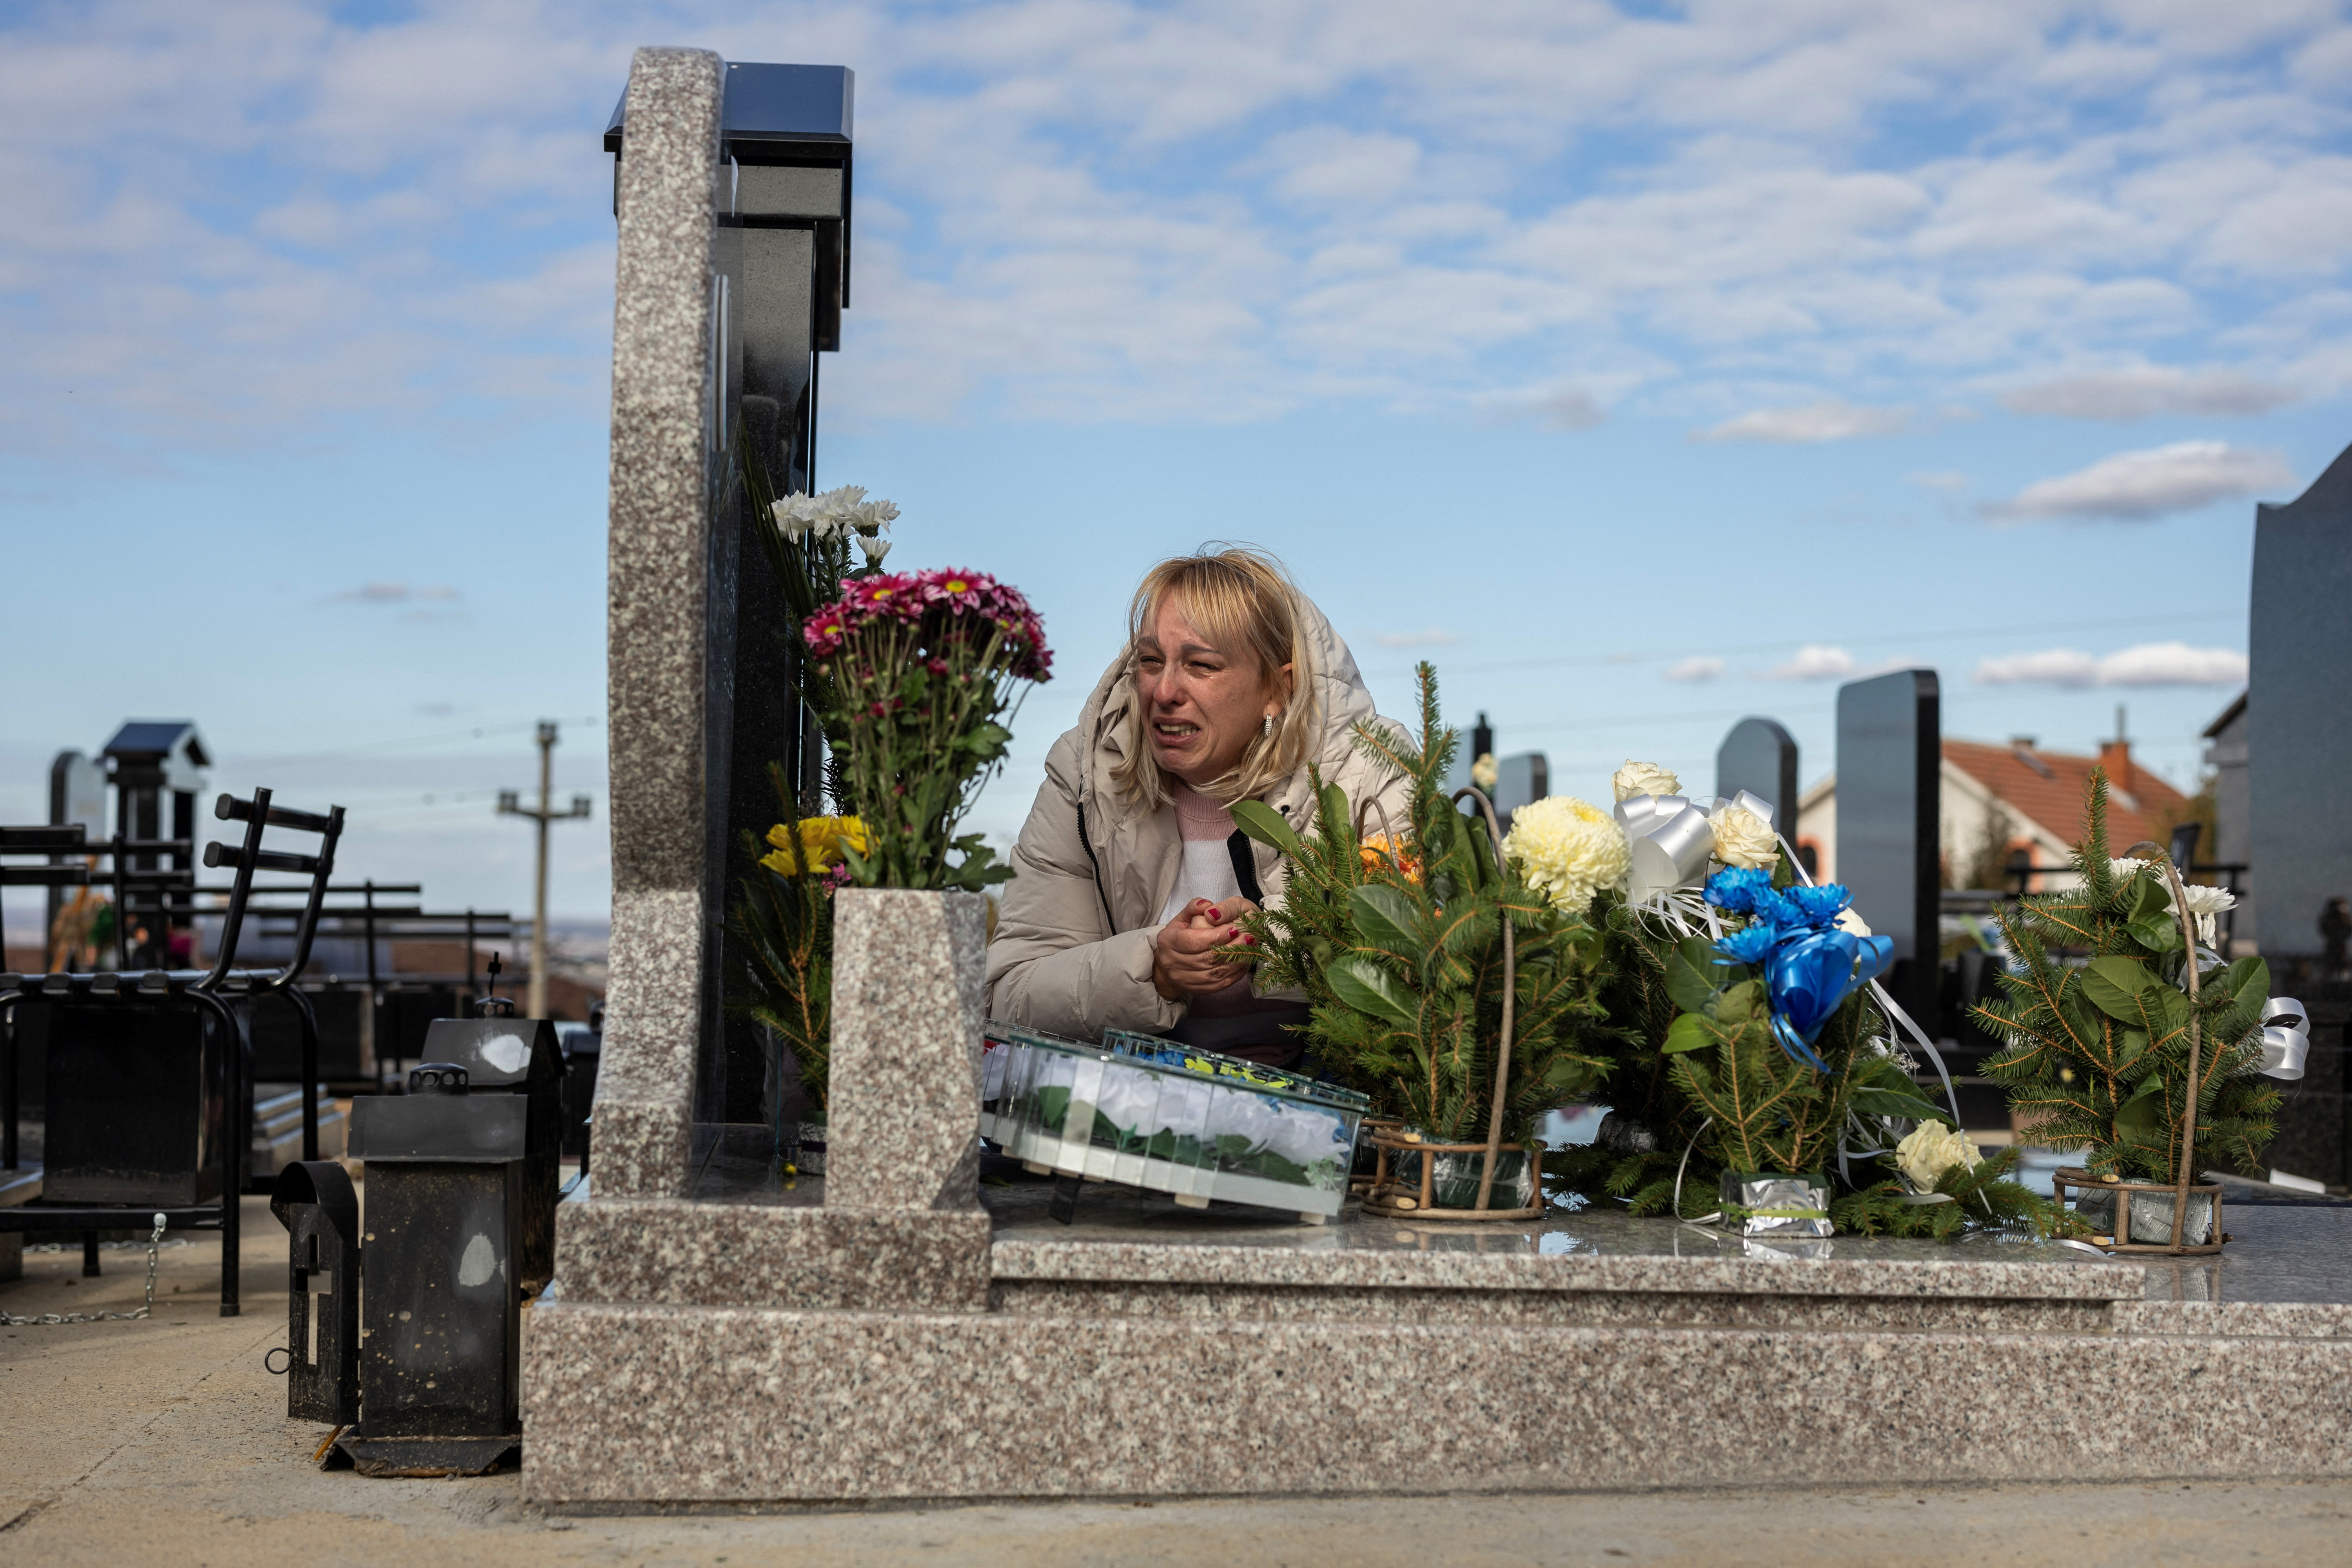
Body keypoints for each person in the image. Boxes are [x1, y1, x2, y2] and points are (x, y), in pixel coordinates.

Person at [985, 547, 1411, 1066]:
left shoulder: (1370, 765)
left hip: (1336, 1092)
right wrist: (1153, 968)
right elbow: (1010, 994)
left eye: (1201, 665)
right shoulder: (1084, 776)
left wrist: (1266, 939)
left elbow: (1413, 948)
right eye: (1150, 662)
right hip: (1126, 1090)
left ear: (1279, 689)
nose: (1165, 691)